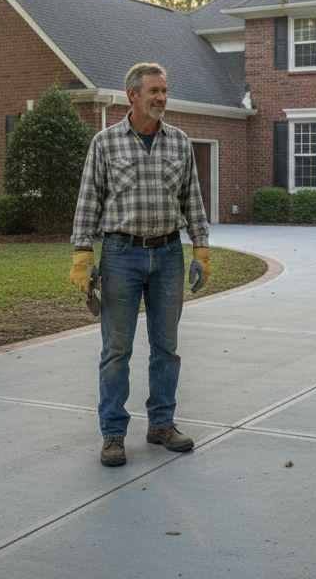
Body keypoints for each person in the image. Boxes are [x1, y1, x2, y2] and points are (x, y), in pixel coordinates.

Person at [70, 62, 211, 467]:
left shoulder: (180, 142)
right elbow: (88, 201)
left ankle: (161, 424)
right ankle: (114, 433)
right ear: (132, 95)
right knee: (116, 350)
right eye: (154, 91)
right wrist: (83, 254)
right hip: (120, 255)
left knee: (166, 348)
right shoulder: (105, 143)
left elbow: (193, 201)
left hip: (168, 255)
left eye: (164, 91)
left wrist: (200, 249)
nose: (161, 98)